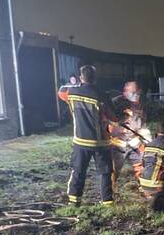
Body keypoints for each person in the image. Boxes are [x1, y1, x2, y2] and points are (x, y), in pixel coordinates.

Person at [57, 65, 115, 205]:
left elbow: (60, 92)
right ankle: (107, 201)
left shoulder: (71, 92)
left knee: (78, 170)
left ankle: (74, 200)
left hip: (81, 140)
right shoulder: (101, 95)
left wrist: (75, 84)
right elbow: (113, 117)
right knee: (105, 172)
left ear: (81, 77)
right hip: (101, 142)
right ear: (95, 78)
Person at [109, 81, 146, 189]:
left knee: (141, 165)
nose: (135, 94)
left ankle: (145, 188)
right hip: (118, 143)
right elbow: (109, 119)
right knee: (114, 170)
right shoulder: (116, 103)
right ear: (125, 91)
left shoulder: (139, 104)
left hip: (134, 141)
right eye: (132, 92)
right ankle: (110, 193)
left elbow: (140, 121)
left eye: (137, 92)